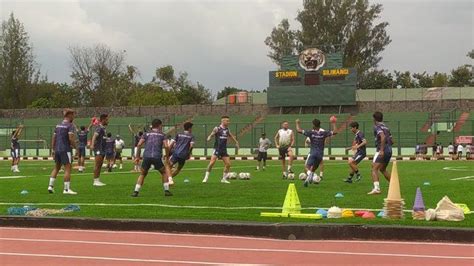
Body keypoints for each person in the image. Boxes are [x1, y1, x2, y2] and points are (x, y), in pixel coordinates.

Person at [131, 119, 172, 197]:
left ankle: (136, 191)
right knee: (163, 172)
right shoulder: (162, 134)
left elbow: (139, 145)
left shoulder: (146, 134)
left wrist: (137, 157)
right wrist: (167, 157)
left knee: (143, 174)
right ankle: (166, 190)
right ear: (159, 125)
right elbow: (166, 146)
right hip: (156, 156)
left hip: (146, 156)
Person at [295, 117, 337, 187]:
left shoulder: (311, 133)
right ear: (320, 125)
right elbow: (335, 132)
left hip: (313, 153)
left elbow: (299, 130)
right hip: (320, 154)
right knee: (314, 168)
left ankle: (313, 177)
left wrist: (297, 123)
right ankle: (309, 178)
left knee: (306, 167)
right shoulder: (324, 133)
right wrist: (334, 123)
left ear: (313, 125)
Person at [202, 115, 240, 184]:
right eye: (227, 121)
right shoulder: (217, 128)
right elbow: (212, 133)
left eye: (229, 121)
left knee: (228, 164)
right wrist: (209, 137)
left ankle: (224, 179)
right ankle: (206, 178)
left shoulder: (227, 129)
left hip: (223, 150)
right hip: (217, 148)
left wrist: (236, 142)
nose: (228, 122)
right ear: (223, 121)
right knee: (212, 163)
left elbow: (231, 135)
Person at [48, 109, 77, 194]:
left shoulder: (58, 125)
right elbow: (71, 138)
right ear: (69, 115)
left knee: (56, 167)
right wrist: (76, 148)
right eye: (73, 115)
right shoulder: (70, 125)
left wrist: (53, 149)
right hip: (66, 149)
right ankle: (66, 189)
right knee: (68, 168)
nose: (74, 117)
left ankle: (50, 186)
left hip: (57, 149)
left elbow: (54, 138)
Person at [368, 111, 393, 195]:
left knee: (374, 168)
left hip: (383, 149)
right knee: (382, 169)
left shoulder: (377, 127)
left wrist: (381, 149)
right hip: (389, 149)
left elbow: (382, 137)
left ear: (374, 119)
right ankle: (394, 185)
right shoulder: (386, 128)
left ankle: (376, 189)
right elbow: (392, 141)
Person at [91, 114, 109, 186]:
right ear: (103, 120)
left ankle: (97, 180)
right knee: (97, 165)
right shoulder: (99, 128)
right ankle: (95, 181)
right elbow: (94, 136)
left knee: (100, 164)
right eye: (107, 120)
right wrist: (92, 145)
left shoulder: (103, 128)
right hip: (98, 148)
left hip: (102, 149)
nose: (108, 121)